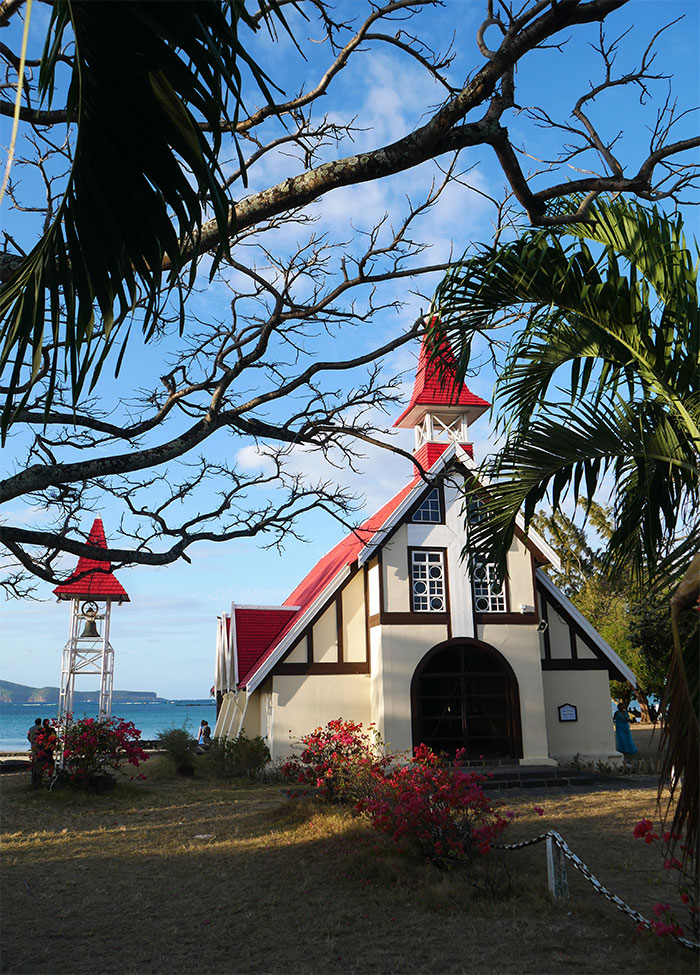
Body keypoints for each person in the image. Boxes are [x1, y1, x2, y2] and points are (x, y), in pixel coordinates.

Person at [27, 718, 43, 786]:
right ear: (40, 722)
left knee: (34, 759)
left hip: (33, 745)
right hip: (39, 746)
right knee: (39, 760)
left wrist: (32, 742)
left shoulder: (31, 729)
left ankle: (34, 772)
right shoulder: (41, 729)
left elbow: (28, 737)